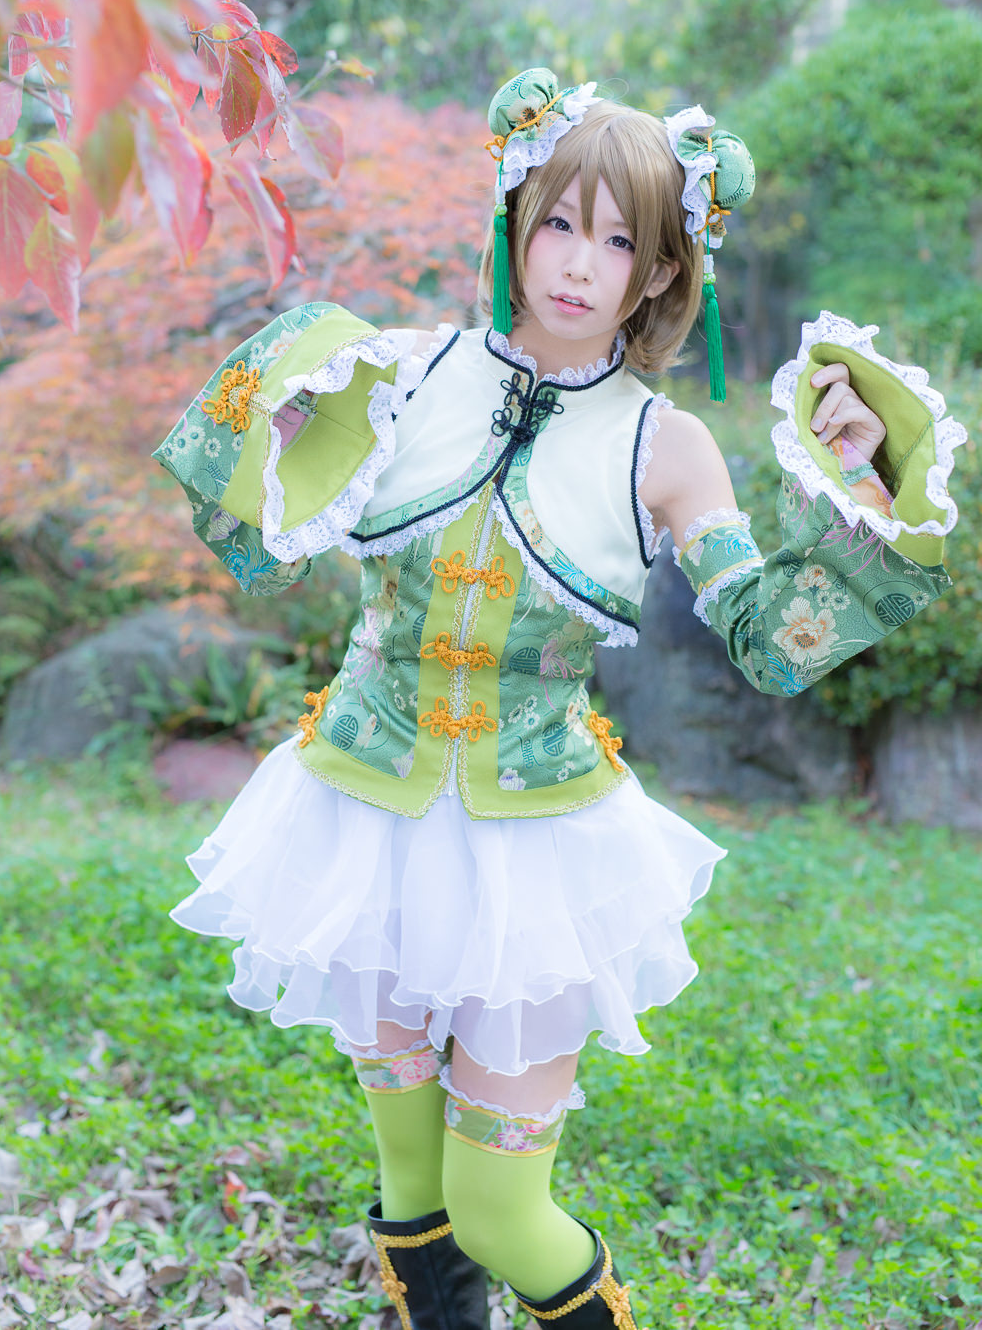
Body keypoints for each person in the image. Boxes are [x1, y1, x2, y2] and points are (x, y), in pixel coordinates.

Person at [153, 68, 965, 1329]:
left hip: (531, 853)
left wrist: (863, 494)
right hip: (358, 814)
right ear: (516, 223)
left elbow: (765, 640)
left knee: (497, 1210)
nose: (582, 264)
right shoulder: (398, 373)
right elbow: (254, 532)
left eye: (622, 241)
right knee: (413, 1179)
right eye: (560, 224)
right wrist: (281, 425)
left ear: (661, 272)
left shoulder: (664, 446)